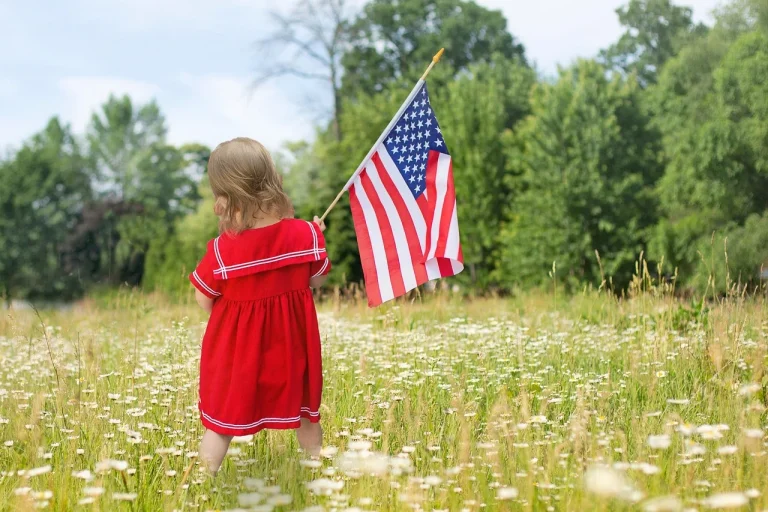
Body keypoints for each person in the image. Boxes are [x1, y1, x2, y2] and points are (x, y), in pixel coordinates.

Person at [188, 137, 331, 475]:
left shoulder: (224, 250)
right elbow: (317, 280)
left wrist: (228, 319)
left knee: (221, 424)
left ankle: (201, 482)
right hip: (292, 349)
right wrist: (316, 236)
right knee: (305, 414)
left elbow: (203, 296)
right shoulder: (305, 236)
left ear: (224, 195)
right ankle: (317, 470)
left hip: (238, 354)